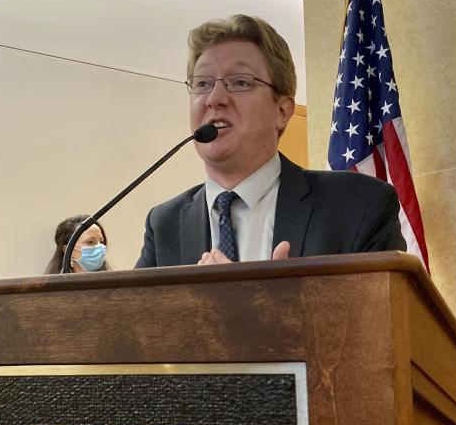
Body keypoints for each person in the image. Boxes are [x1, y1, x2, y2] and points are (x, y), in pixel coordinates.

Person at [135, 14, 405, 268]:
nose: (214, 98)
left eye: (239, 82)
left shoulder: (357, 205)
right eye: (202, 83)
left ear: (282, 111)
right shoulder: (164, 225)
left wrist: (262, 306)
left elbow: (385, 316)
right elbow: (131, 317)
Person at [44, 214, 112, 274]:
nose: (99, 247)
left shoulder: (115, 284)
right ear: (67, 250)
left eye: (101, 242)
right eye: (90, 242)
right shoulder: (53, 287)